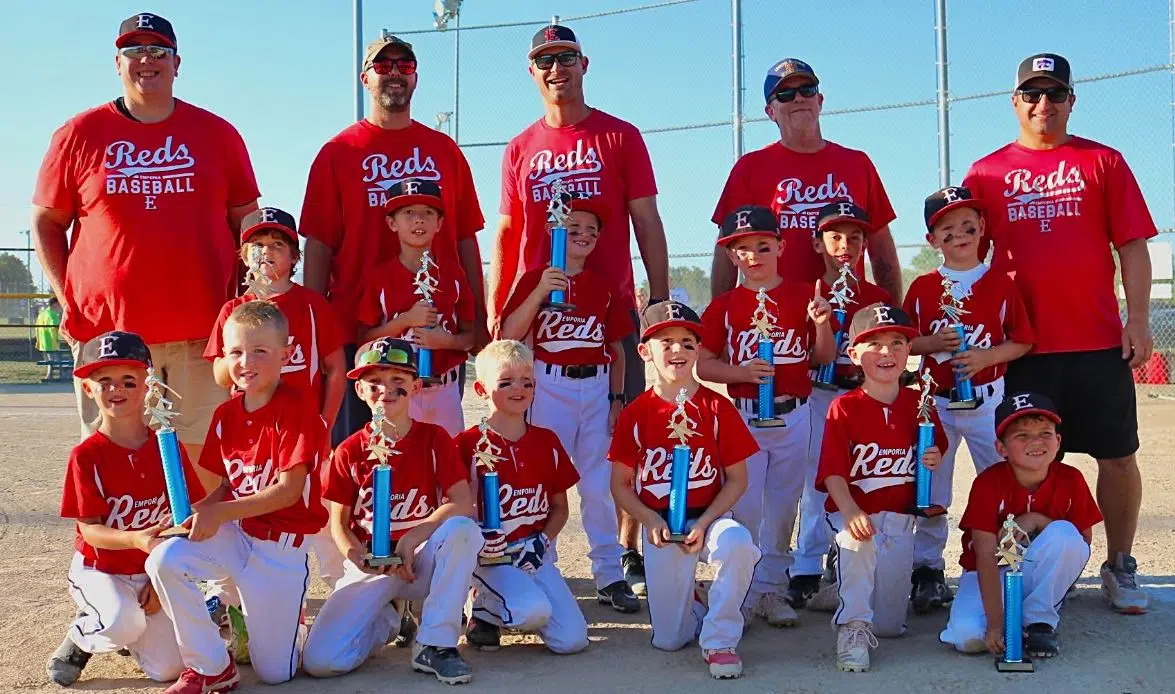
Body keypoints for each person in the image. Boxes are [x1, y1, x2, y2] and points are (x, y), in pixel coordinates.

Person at [963, 53, 1157, 613]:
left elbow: (1132, 246)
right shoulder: (987, 172)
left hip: (1098, 342)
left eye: (1054, 94)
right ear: (1014, 101)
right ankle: (1054, 563)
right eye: (1031, 94)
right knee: (1036, 464)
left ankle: (1119, 564)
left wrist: (1137, 318)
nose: (1042, 104)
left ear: (1072, 100)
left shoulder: (1104, 162)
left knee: (1118, 457)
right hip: (1026, 351)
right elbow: (971, 258)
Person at [32, 13, 260, 466]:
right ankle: (111, 541)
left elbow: (247, 221)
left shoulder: (217, 134)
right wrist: (66, 298)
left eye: (158, 51)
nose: (147, 60)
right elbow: (46, 221)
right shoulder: (79, 134)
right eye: (134, 51)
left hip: (203, 334)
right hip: (110, 334)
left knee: (203, 463)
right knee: (115, 460)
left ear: (178, 64)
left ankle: (195, 541)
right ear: (117, 63)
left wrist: (249, 302)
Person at [492, 25, 671, 591]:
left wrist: (660, 297)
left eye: (565, 58)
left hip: (606, 313)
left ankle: (623, 558)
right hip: (540, 320)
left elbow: (646, 218)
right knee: (533, 463)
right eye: (544, 61)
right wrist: (502, 313)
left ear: (583, 63)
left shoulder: (618, 136)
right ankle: (521, 567)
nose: (556, 69)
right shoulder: (520, 147)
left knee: (615, 451)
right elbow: (507, 231)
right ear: (532, 72)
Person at [300, 34, 486, 446]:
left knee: (433, 461)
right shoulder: (338, 152)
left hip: (434, 336)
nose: (395, 74)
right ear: (365, 78)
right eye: (383, 67)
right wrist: (313, 324)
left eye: (404, 66)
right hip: (359, 333)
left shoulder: (443, 151)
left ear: (416, 78)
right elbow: (318, 244)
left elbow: (465, 239)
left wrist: (479, 321)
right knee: (364, 458)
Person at [146, 301, 328, 692]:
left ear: (288, 353)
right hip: (239, 534)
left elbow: (288, 491)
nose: (246, 361)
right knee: (166, 557)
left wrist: (220, 512)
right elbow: (231, 485)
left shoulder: (296, 409)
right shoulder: (226, 414)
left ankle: (293, 624)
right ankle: (212, 665)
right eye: (235, 352)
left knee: (275, 674)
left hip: (279, 551)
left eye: (260, 351)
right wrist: (199, 511)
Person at [302, 337, 481, 685]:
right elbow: (339, 524)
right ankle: (386, 620)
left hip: (421, 560)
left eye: (398, 381)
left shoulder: (434, 438)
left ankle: (436, 644)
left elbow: (461, 501)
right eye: (375, 382)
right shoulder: (349, 450)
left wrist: (415, 536)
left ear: (415, 387)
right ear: (360, 391)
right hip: (376, 561)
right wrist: (356, 555)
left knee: (463, 530)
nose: (387, 390)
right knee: (322, 662)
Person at [497, 192, 638, 612]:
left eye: (591, 231)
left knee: (599, 485)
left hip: (594, 388)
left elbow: (617, 347)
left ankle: (610, 576)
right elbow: (508, 333)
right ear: (554, 232)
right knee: (547, 481)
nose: (583, 236)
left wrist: (616, 397)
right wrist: (541, 290)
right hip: (549, 384)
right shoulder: (535, 278)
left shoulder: (602, 285)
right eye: (572, 228)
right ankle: (545, 568)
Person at [697, 205, 834, 627]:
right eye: (741, 249)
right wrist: (741, 373)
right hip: (744, 416)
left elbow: (822, 358)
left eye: (762, 246)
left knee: (783, 506)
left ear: (780, 245)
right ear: (731, 256)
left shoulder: (800, 296)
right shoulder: (725, 304)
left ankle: (771, 591)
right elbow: (703, 364)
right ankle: (738, 589)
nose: (753, 256)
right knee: (746, 509)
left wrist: (824, 325)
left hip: (793, 415)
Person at [609, 301, 760, 680]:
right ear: (645, 351)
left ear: (698, 350)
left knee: (739, 543)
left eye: (688, 343)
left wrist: (708, 521)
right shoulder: (636, 412)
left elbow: (738, 479)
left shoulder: (717, 407)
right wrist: (649, 519)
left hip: (709, 518)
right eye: (666, 342)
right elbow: (621, 485)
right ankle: (695, 602)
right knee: (670, 640)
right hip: (660, 525)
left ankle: (720, 640)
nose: (678, 350)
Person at [901, 186, 1034, 613]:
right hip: (934, 404)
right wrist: (929, 341)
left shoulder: (1000, 284)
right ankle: (927, 570)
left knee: (999, 481)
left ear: (982, 230)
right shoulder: (923, 287)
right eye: (947, 229)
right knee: (932, 485)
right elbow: (903, 344)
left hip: (986, 401)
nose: (958, 235)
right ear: (932, 240)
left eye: (967, 226)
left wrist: (988, 356)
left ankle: (1004, 563)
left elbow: (1023, 340)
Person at [46, 331, 205, 687]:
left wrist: (162, 580)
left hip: (150, 568)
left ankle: (121, 630)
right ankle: (82, 637)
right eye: (104, 381)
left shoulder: (167, 446)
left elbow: (187, 512)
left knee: (168, 670)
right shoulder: (86, 456)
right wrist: (135, 541)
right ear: (89, 389)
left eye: (129, 381)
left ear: (148, 386)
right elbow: (89, 529)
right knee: (122, 621)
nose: (116, 389)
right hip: (101, 568)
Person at [205, 206, 347, 597]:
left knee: (317, 515)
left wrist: (326, 424)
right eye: (257, 245)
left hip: (303, 433)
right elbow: (220, 375)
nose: (266, 253)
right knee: (244, 507)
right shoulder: (233, 311)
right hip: (252, 436)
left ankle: (347, 591)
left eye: (277, 245)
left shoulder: (313, 305)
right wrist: (246, 351)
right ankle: (225, 595)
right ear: (243, 256)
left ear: (294, 258)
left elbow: (336, 369)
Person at [814, 304, 946, 672]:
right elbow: (833, 473)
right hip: (853, 514)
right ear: (853, 354)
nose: (887, 352)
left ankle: (838, 591)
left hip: (900, 518)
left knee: (888, 626)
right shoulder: (844, 407)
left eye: (897, 343)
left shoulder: (920, 404)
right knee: (858, 543)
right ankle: (852, 624)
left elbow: (936, 446)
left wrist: (933, 454)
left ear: (909, 351)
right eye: (874, 344)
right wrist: (850, 511)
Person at [710, 58, 901, 303]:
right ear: (770, 111)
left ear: (819, 101)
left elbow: (881, 247)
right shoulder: (750, 168)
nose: (798, 98)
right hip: (779, 317)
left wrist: (896, 312)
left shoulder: (857, 163)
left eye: (807, 90)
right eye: (785, 94)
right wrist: (721, 316)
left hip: (847, 310)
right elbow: (726, 250)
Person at [939, 392, 1102, 659]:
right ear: (1001, 448)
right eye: (1022, 436)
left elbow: (1080, 542)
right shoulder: (988, 483)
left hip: (1036, 571)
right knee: (968, 637)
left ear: (1058, 441)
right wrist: (995, 623)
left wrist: (1038, 521)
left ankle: (1039, 621)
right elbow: (984, 556)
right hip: (990, 572)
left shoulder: (1071, 478)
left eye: (1045, 433)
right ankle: (1014, 614)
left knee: (1064, 534)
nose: (1036, 442)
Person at [790, 202, 894, 609]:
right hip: (819, 391)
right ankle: (805, 567)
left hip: (864, 393)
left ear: (866, 244)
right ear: (817, 243)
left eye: (854, 237)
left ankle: (848, 560)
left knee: (865, 477)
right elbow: (812, 357)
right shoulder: (806, 293)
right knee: (818, 481)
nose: (845, 245)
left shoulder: (876, 296)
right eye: (835, 236)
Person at [457, 339, 590, 654]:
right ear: (480, 389)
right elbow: (455, 512)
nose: (518, 389)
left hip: (532, 553)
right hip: (489, 558)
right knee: (531, 612)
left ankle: (502, 602)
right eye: (505, 382)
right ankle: (482, 606)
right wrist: (479, 543)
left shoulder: (546, 441)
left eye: (526, 382)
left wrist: (542, 541)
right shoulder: (465, 444)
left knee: (572, 640)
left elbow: (559, 508)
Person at [355, 180, 473, 437]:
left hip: (444, 389)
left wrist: (446, 341)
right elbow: (362, 339)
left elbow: (471, 337)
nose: (418, 220)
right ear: (392, 223)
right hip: (397, 390)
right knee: (396, 461)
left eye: (428, 213)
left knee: (448, 462)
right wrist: (404, 321)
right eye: (408, 213)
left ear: (439, 223)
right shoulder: (380, 277)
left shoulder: (453, 275)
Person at [36, 297, 62, 380]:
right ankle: (50, 376)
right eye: (59, 305)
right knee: (53, 361)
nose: (60, 307)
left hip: (43, 342)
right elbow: (55, 326)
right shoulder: (52, 314)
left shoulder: (42, 313)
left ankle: (49, 376)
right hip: (51, 341)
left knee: (49, 361)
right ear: (55, 304)